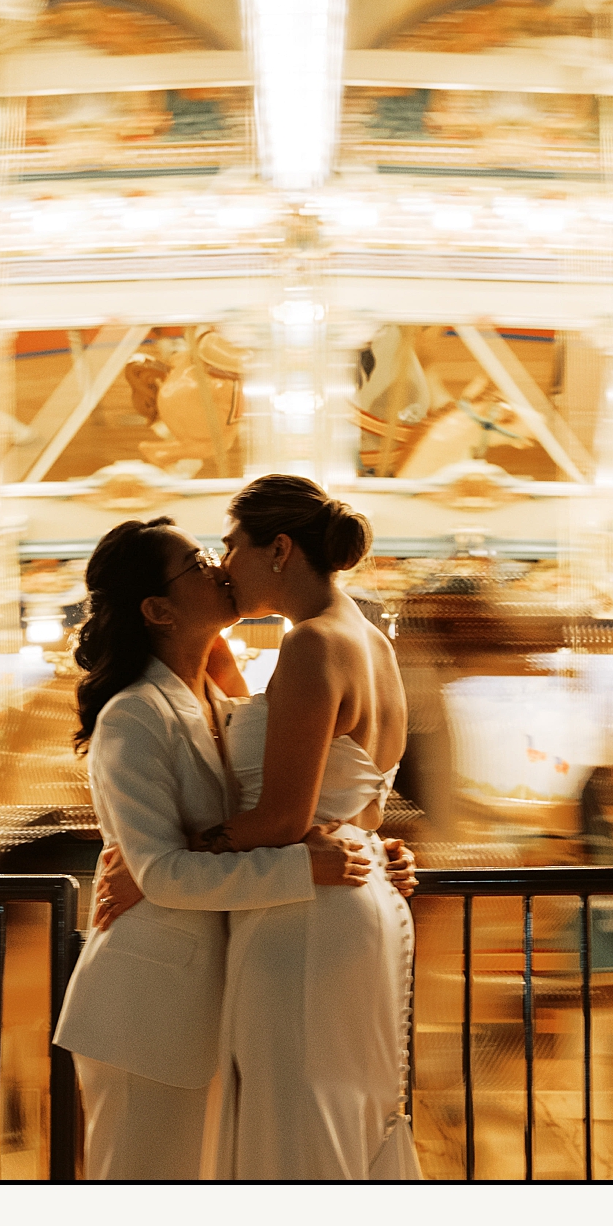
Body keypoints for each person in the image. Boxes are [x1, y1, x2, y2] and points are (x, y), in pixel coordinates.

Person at [92, 476, 422, 1179]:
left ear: (278, 549)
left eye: (229, 546)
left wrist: (170, 860)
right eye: (205, 558)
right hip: (352, 899)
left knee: (298, 1126)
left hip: (305, 917)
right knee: (340, 1112)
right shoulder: (371, 642)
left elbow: (281, 818)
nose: (221, 563)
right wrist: (372, 843)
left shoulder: (310, 645)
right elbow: (333, 784)